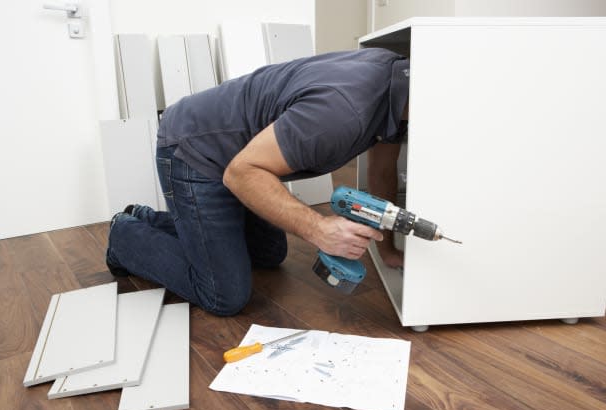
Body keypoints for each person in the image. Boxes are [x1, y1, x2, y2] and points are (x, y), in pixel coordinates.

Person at [106, 47, 409, 315]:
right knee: (224, 295)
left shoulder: (397, 88)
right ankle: (124, 233)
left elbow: (382, 173)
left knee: (269, 254)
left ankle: (150, 218)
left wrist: (387, 251)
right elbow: (241, 173)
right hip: (196, 151)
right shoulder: (342, 113)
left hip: (243, 157)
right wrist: (319, 229)